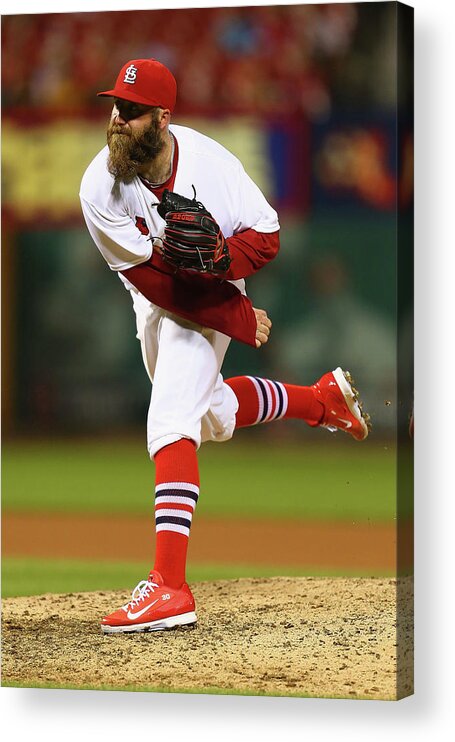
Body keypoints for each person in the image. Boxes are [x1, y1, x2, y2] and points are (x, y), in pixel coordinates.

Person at [80, 58, 370, 635]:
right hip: (161, 294)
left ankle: (170, 586)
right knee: (208, 413)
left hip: (210, 284)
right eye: (116, 106)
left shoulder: (211, 164)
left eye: (133, 111)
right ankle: (320, 402)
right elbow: (153, 283)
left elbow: (267, 234)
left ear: (163, 118)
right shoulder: (99, 187)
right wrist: (237, 315)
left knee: (171, 421)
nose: (118, 119)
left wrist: (222, 264)